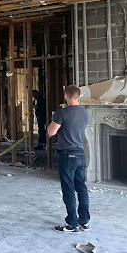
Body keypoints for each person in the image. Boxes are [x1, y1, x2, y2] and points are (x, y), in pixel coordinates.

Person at [47, 85, 90, 233]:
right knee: (82, 188)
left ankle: (72, 224)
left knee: (69, 189)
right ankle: (84, 221)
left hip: (67, 154)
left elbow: (51, 132)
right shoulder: (84, 113)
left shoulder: (62, 113)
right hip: (80, 153)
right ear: (78, 97)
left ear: (66, 96)